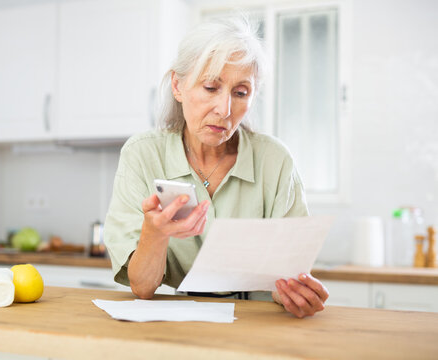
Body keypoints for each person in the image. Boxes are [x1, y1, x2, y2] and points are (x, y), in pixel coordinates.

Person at [103, 14, 328, 318]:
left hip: (258, 326)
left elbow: (287, 274)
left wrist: (293, 292)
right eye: (210, 87)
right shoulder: (143, 155)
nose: (224, 110)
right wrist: (154, 234)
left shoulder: (275, 162)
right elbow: (142, 287)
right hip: (172, 327)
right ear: (178, 86)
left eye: (240, 93)